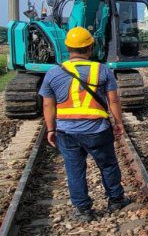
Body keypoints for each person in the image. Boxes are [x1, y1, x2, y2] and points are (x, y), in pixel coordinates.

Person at [39, 26, 131, 222]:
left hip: (66, 131)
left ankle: (82, 210)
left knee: (74, 169)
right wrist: (118, 122)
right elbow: (113, 101)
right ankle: (116, 200)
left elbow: (48, 104)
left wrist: (51, 129)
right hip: (97, 129)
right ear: (90, 47)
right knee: (108, 165)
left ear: (67, 48)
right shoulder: (103, 70)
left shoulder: (54, 73)